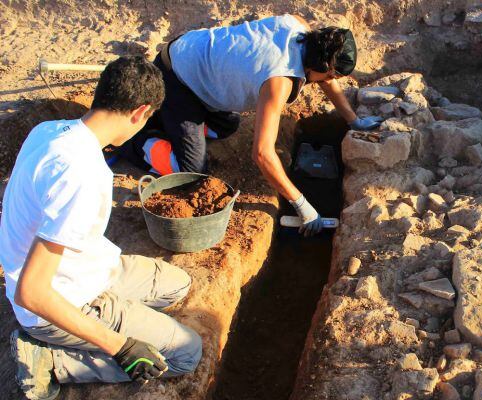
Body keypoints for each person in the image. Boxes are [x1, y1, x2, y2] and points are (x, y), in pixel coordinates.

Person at [0, 56, 202, 400]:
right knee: (187, 353)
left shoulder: (49, 131)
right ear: (140, 113)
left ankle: (117, 311)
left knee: (177, 286)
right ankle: (52, 359)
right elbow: (31, 293)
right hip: (55, 303)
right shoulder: (84, 176)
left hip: (86, 271)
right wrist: (119, 345)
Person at [120, 14, 381, 236]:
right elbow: (262, 154)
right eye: (332, 74)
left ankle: (174, 125)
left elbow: (326, 78)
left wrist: (353, 120)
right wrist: (301, 204)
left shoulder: (299, 28)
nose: (330, 81)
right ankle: (136, 141)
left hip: (196, 59)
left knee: (228, 126)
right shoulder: (279, 81)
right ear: (323, 65)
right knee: (192, 174)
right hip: (176, 77)